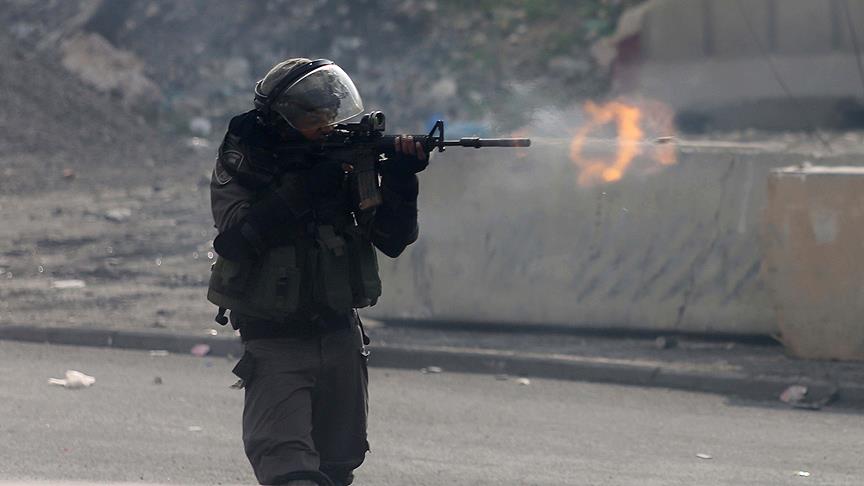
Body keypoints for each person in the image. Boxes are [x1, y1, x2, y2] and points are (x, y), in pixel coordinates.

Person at [206, 58, 428, 486]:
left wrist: (402, 181)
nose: (326, 127)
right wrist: (305, 189)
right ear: (283, 120)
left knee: (337, 466)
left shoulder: (342, 159)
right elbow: (235, 239)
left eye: (329, 115)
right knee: (289, 468)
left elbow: (391, 239)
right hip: (276, 338)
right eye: (313, 118)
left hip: (339, 331)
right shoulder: (248, 157)